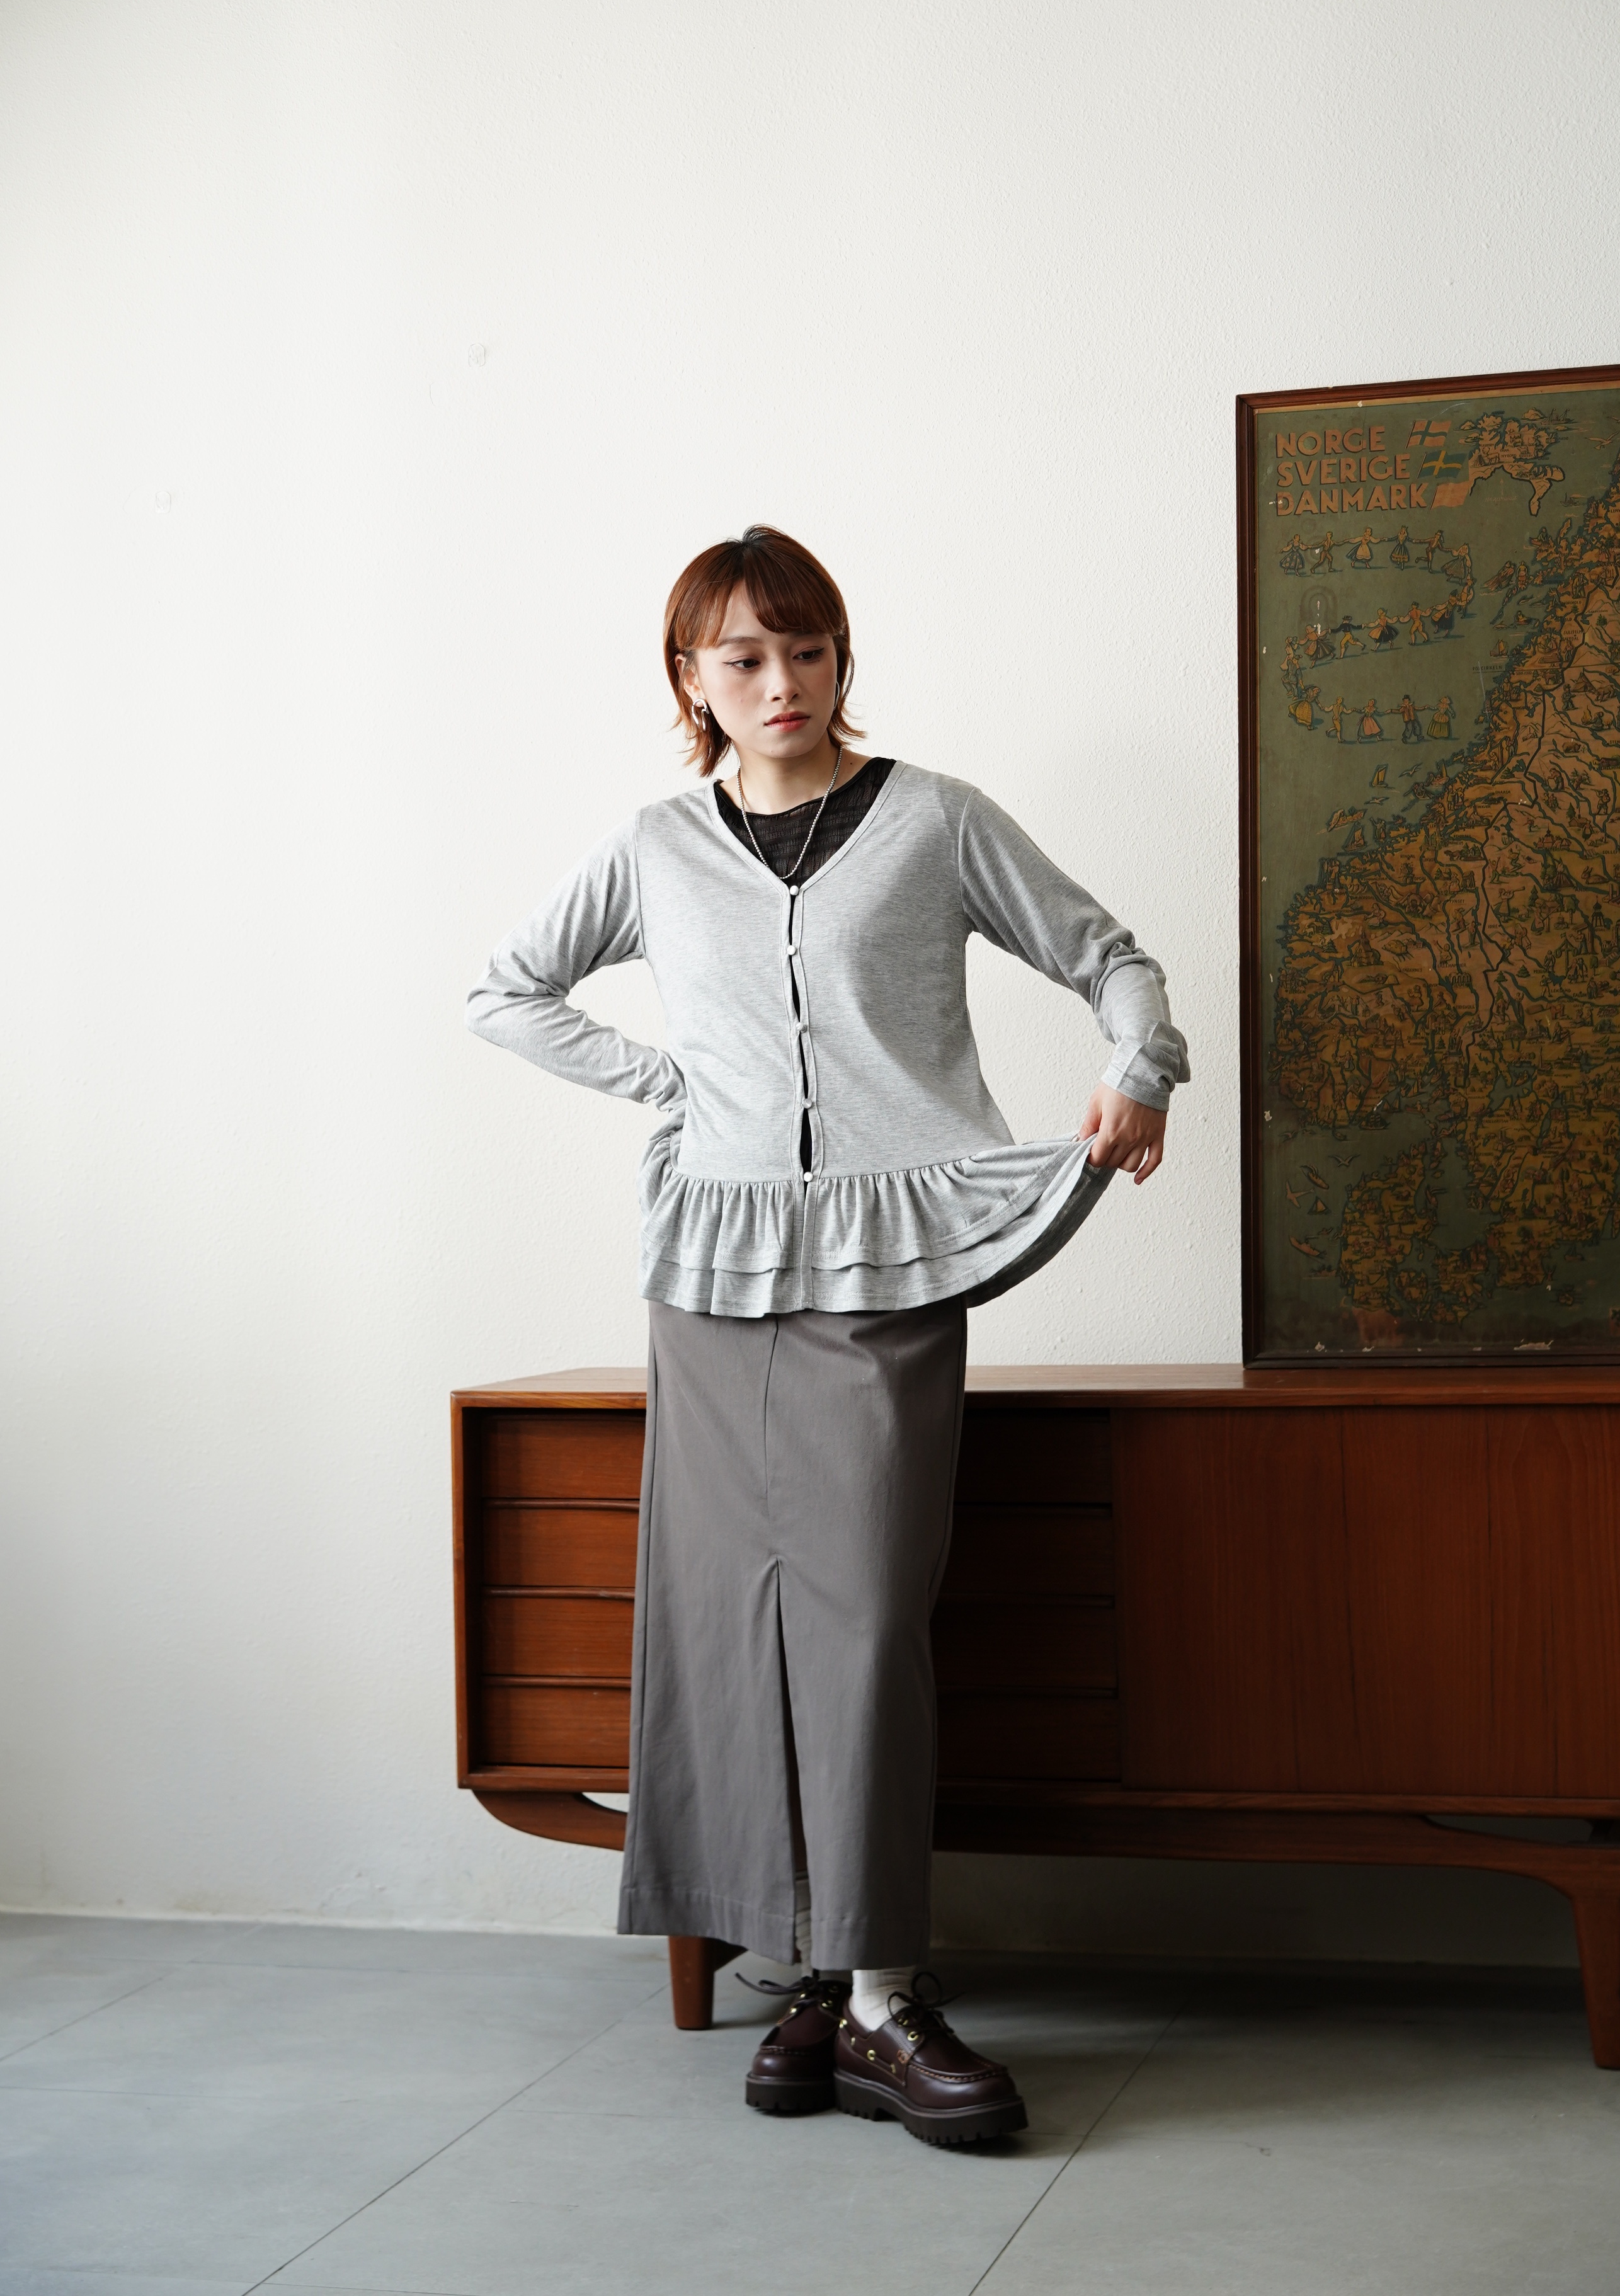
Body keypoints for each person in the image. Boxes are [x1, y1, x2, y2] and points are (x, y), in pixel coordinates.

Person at [465, 527, 1188, 2148]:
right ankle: (802, 1978)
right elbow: (506, 990)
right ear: (690, 680)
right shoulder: (655, 847)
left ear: (840, 657)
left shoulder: (934, 819)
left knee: (862, 1621)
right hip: (709, 1272)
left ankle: (880, 1991)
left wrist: (1137, 1068)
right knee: (721, 1625)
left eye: (805, 649)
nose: (780, 682)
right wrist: (669, 1085)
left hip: (883, 1258)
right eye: (742, 657)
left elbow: (1111, 958)